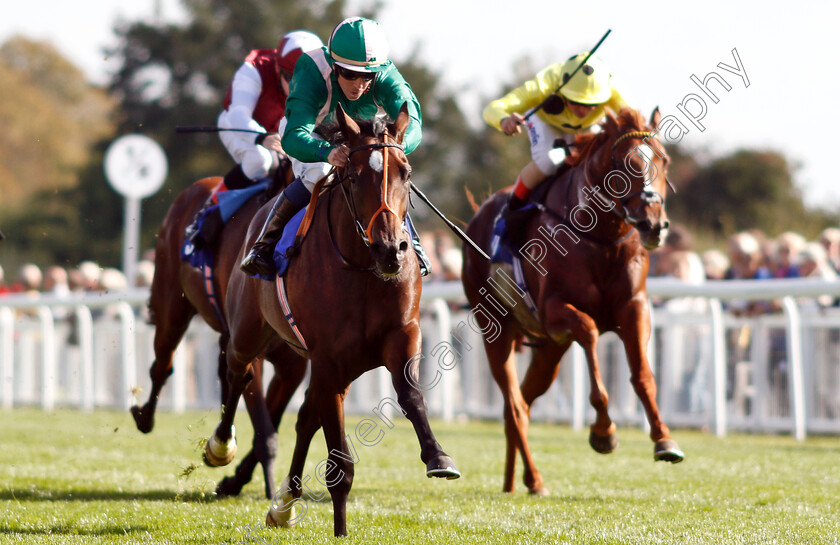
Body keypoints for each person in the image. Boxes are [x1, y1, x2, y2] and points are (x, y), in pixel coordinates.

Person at [240, 16, 428, 277]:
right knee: (317, 174)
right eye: (350, 75)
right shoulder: (312, 70)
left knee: (386, 173)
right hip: (313, 133)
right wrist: (326, 152)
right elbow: (294, 135)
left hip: (361, 138)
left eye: (367, 77)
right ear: (334, 66)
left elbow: (414, 123)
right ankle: (264, 243)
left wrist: (396, 147)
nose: (359, 85)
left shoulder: (386, 75)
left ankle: (412, 241)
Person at [186, 30, 324, 249]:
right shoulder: (253, 70)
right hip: (240, 127)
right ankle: (208, 208)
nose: (298, 87)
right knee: (259, 161)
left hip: (281, 136)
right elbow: (237, 115)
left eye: (304, 80)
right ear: (278, 68)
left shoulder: (325, 78)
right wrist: (263, 137)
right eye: (291, 78)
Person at [482, 53, 632, 240]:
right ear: (561, 90)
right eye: (576, 102)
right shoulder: (543, 86)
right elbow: (492, 109)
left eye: (592, 104)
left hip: (586, 128)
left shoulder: (613, 92)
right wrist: (504, 120)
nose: (583, 110)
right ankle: (512, 211)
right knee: (548, 161)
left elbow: (635, 124)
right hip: (544, 121)